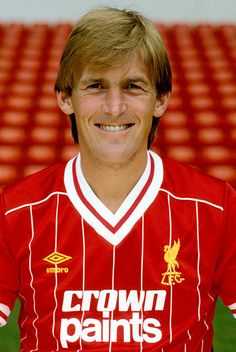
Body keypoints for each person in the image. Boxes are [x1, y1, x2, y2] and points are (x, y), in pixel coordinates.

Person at [0, 6, 235, 352]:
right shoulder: (16, 210)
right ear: (66, 98)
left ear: (161, 99)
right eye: (95, 85)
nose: (114, 107)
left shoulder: (216, 207)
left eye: (133, 86)